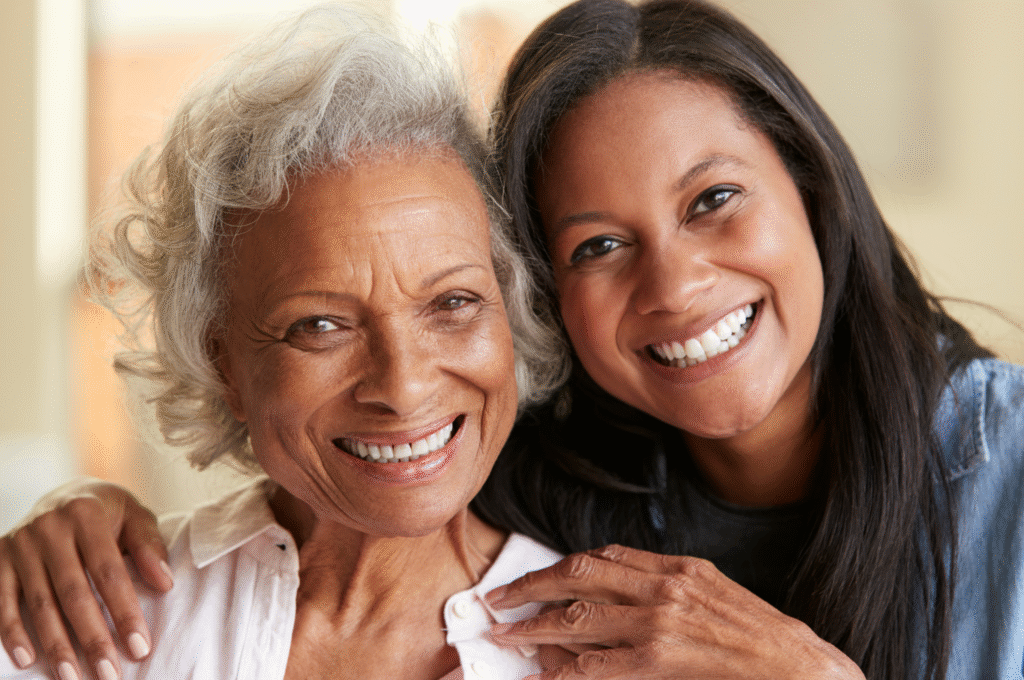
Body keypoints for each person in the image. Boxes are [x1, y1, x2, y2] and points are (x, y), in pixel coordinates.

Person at [4, 0, 1024, 678]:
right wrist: (69, 510)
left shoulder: (1003, 471)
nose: (673, 283)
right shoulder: (547, 489)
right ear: (542, 298)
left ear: (812, 183)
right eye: (598, 245)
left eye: (713, 199)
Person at [0, 6, 575, 680]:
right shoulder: (86, 622)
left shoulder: (612, 649)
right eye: (321, 326)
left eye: (454, 303)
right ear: (224, 365)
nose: (404, 386)